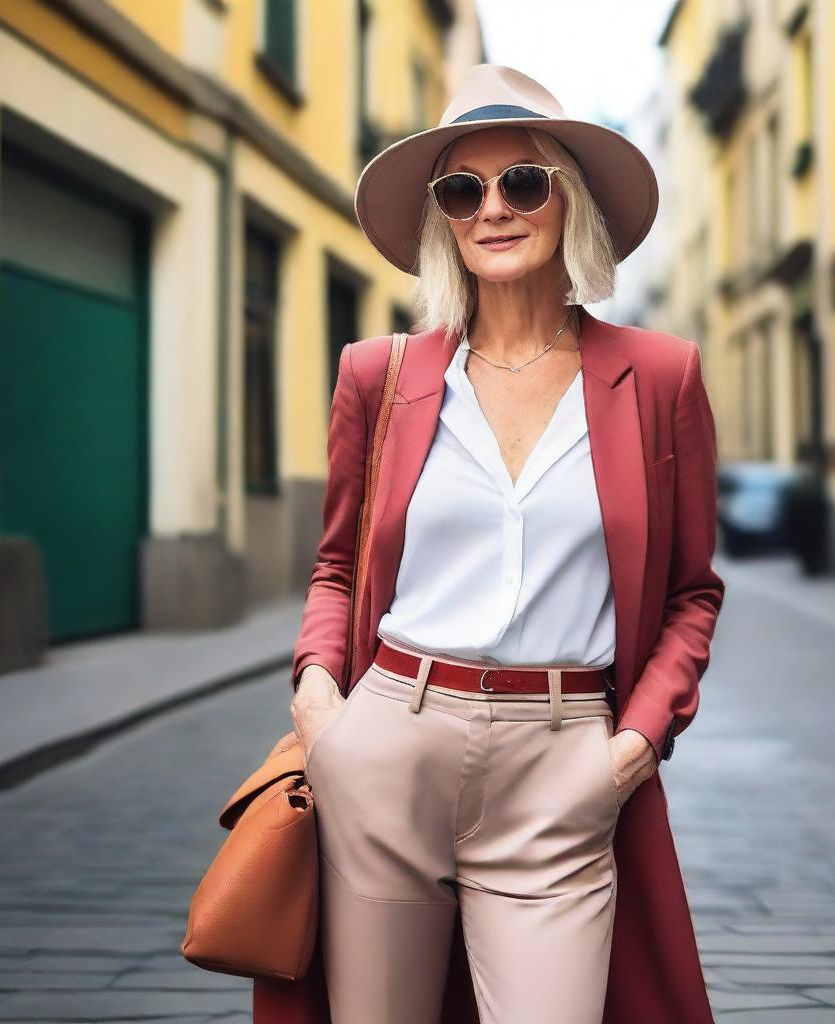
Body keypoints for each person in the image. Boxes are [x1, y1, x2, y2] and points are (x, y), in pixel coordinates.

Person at [279, 64, 725, 1024]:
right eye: (461, 189)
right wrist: (322, 703)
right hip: (389, 742)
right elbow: (336, 566)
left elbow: (692, 591)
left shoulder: (658, 377)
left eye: (523, 180)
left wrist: (635, 745)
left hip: (561, 761)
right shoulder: (378, 375)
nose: (493, 209)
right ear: (442, 217)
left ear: (571, 200)